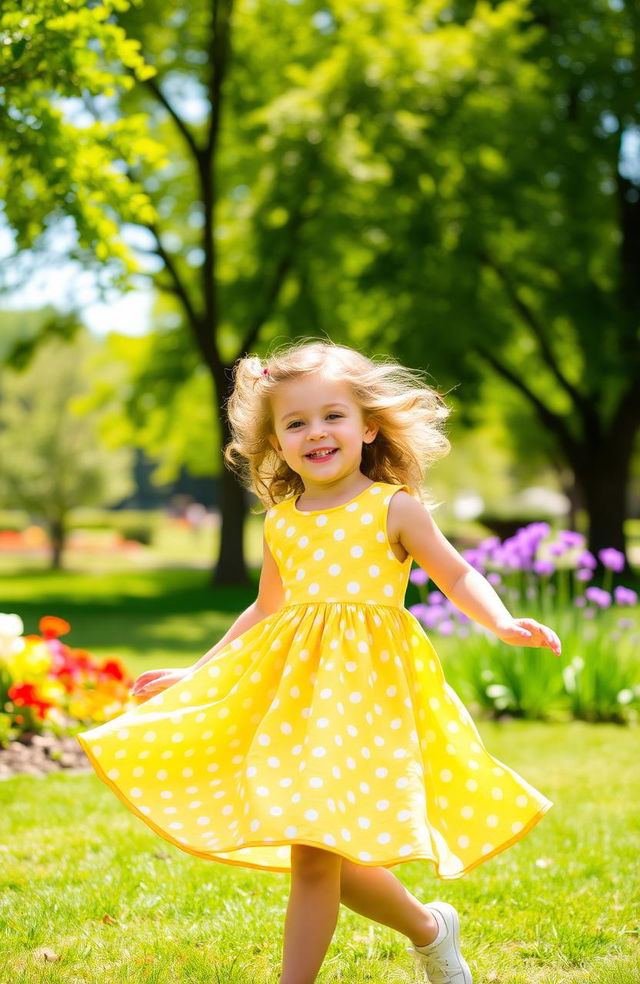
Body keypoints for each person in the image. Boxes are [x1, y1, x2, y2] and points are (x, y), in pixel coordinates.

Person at [77, 339, 561, 984]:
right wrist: (197, 674)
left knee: (316, 856)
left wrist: (501, 622)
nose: (316, 432)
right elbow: (264, 611)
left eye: (333, 416)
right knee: (322, 855)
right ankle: (429, 927)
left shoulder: (393, 506)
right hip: (295, 702)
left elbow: (458, 573)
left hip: (366, 703)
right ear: (274, 441)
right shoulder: (282, 521)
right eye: (295, 422)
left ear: (369, 426)